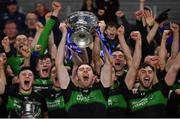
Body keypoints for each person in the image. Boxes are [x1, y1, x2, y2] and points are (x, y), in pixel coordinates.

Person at [56, 22, 112, 117]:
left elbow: (108, 63)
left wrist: (101, 34)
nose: (85, 71)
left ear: (94, 77)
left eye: (88, 69)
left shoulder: (101, 91)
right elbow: (59, 65)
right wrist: (64, 34)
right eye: (81, 70)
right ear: (76, 78)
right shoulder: (70, 92)